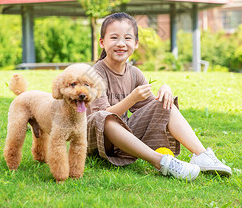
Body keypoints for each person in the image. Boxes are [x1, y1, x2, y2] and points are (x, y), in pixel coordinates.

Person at [86, 12, 232, 181]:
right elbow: (102, 115)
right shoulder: (94, 73)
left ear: (136, 43)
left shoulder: (134, 74)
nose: (121, 44)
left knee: (165, 103)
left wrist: (165, 90)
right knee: (105, 117)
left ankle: (202, 155)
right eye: (114, 38)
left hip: (124, 140)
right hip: (97, 140)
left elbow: (153, 108)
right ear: (102, 43)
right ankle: (162, 162)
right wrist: (132, 99)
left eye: (127, 38)